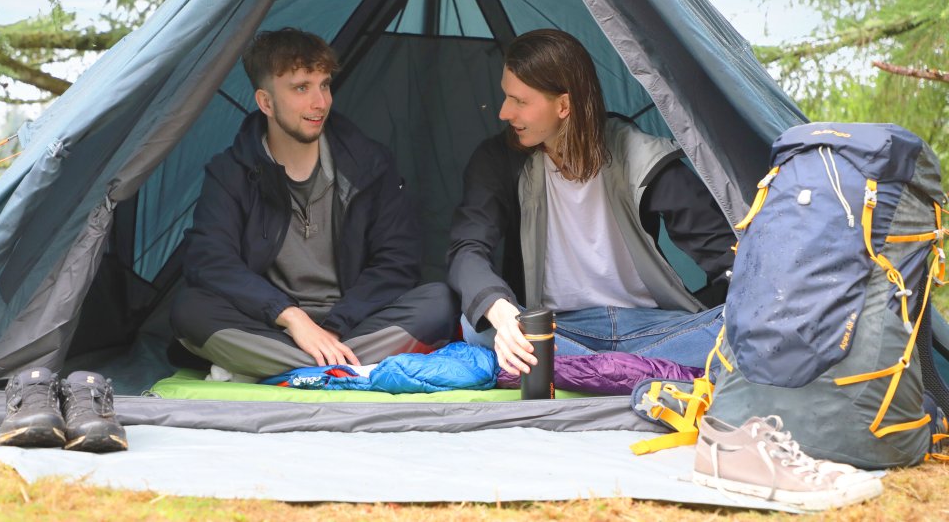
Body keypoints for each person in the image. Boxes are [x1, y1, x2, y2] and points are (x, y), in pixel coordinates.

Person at [171, 28, 457, 380]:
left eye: (324, 85)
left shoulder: (369, 164)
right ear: (266, 103)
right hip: (271, 323)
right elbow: (210, 260)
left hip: (354, 323)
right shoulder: (231, 172)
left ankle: (273, 365)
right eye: (301, 88)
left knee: (439, 301)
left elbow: (397, 262)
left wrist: (334, 328)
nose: (320, 102)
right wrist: (292, 318)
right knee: (189, 309)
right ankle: (350, 369)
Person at [447, 29, 735, 375]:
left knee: (739, 328)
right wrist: (498, 307)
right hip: (557, 330)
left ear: (563, 105)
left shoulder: (639, 156)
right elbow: (467, 249)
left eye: (520, 101)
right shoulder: (499, 161)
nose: (504, 112)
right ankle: (633, 369)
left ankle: (589, 369)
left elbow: (727, 253)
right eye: (506, 96)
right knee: (477, 324)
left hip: (650, 326)